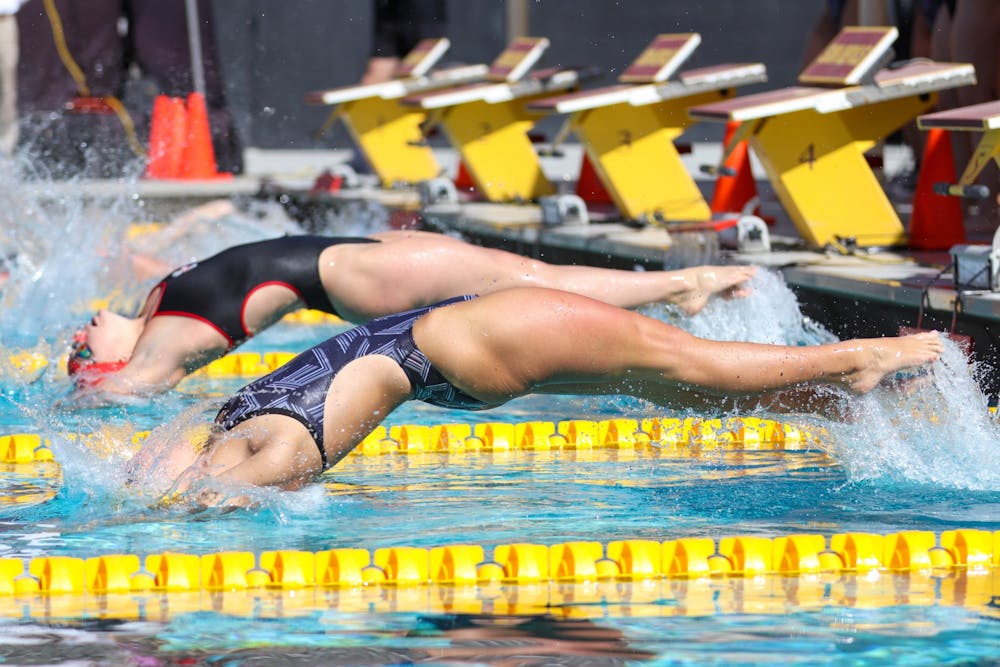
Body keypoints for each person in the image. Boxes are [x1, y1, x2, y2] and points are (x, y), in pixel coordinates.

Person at [127, 286, 943, 507]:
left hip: (487, 344)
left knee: (694, 366)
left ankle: (862, 361)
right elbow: (154, 470)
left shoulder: (275, 453)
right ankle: (840, 398)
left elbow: (184, 500)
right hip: (470, 349)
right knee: (683, 388)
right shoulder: (223, 426)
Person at [68, 230, 758, 394]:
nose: (78, 336)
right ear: (110, 359)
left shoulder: (151, 305)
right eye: (81, 351)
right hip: (356, 276)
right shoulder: (164, 343)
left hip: (356, 254)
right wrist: (84, 392)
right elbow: (129, 390)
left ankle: (679, 288)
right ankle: (683, 285)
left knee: (528, 275)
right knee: (530, 279)